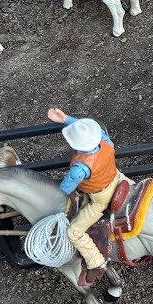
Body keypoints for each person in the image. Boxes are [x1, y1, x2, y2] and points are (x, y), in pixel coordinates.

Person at [49, 107, 121, 288]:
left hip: (100, 197)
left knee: (74, 232)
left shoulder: (80, 168)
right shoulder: (105, 142)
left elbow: (64, 189)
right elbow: (90, 131)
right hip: (117, 179)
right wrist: (66, 119)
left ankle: (96, 263)